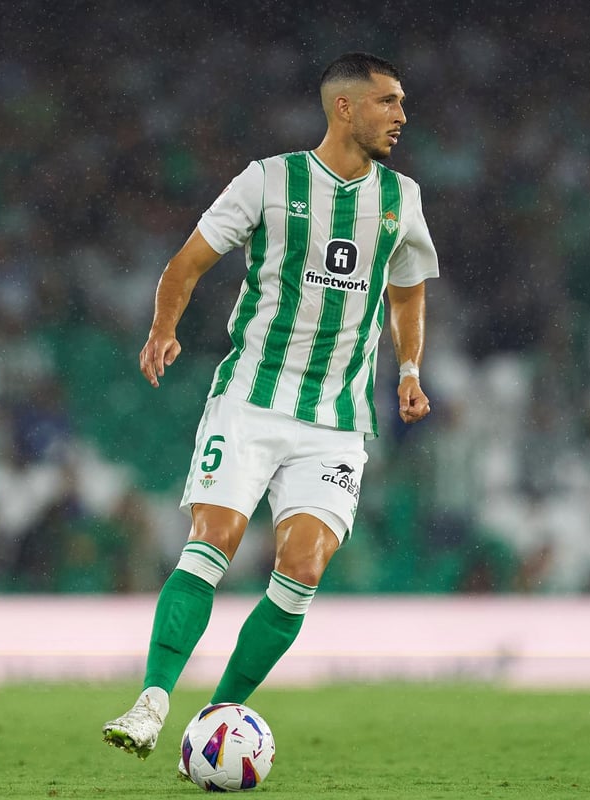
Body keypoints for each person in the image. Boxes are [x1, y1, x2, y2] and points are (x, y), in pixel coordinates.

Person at [102, 51, 439, 769]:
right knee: (214, 541)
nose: (402, 116)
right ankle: (152, 701)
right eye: (388, 102)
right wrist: (163, 328)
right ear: (344, 107)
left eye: (402, 102)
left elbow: (408, 288)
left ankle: (215, 719)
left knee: (304, 568)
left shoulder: (401, 198)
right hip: (252, 399)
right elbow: (188, 262)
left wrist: (409, 368)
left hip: (336, 421)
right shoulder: (268, 180)